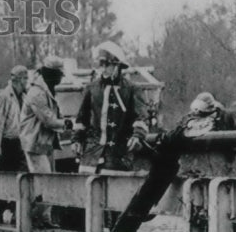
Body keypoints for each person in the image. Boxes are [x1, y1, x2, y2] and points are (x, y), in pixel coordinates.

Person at [73, 41, 148, 174]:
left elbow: (141, 117)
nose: (103, 69)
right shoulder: (92, 88)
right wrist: (77, 139)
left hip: (118, 152)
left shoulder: (132, 89)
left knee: (115, 189)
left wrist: (137, 136)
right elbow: (81, 118)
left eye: (106, 64)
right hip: (91, 152)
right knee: (86, 187)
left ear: (117, 66)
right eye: (100, 64)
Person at [19, 55, 66, 174]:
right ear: (51, 74)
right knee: (44, 181)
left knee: (50, 180)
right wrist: (68, 124)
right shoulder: (37, 93)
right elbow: (48, 120)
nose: (60, 78)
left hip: (43, 144)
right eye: (59, 75)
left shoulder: (46, 90)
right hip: (35, 144)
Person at [0, 64, 29, 172]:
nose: (26, 81)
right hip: (6, 143)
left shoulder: (23, 96)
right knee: (7, 174)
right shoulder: (4, 97)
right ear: (18, 79)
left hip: (19, 141)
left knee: (23, 172)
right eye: (25, 78)